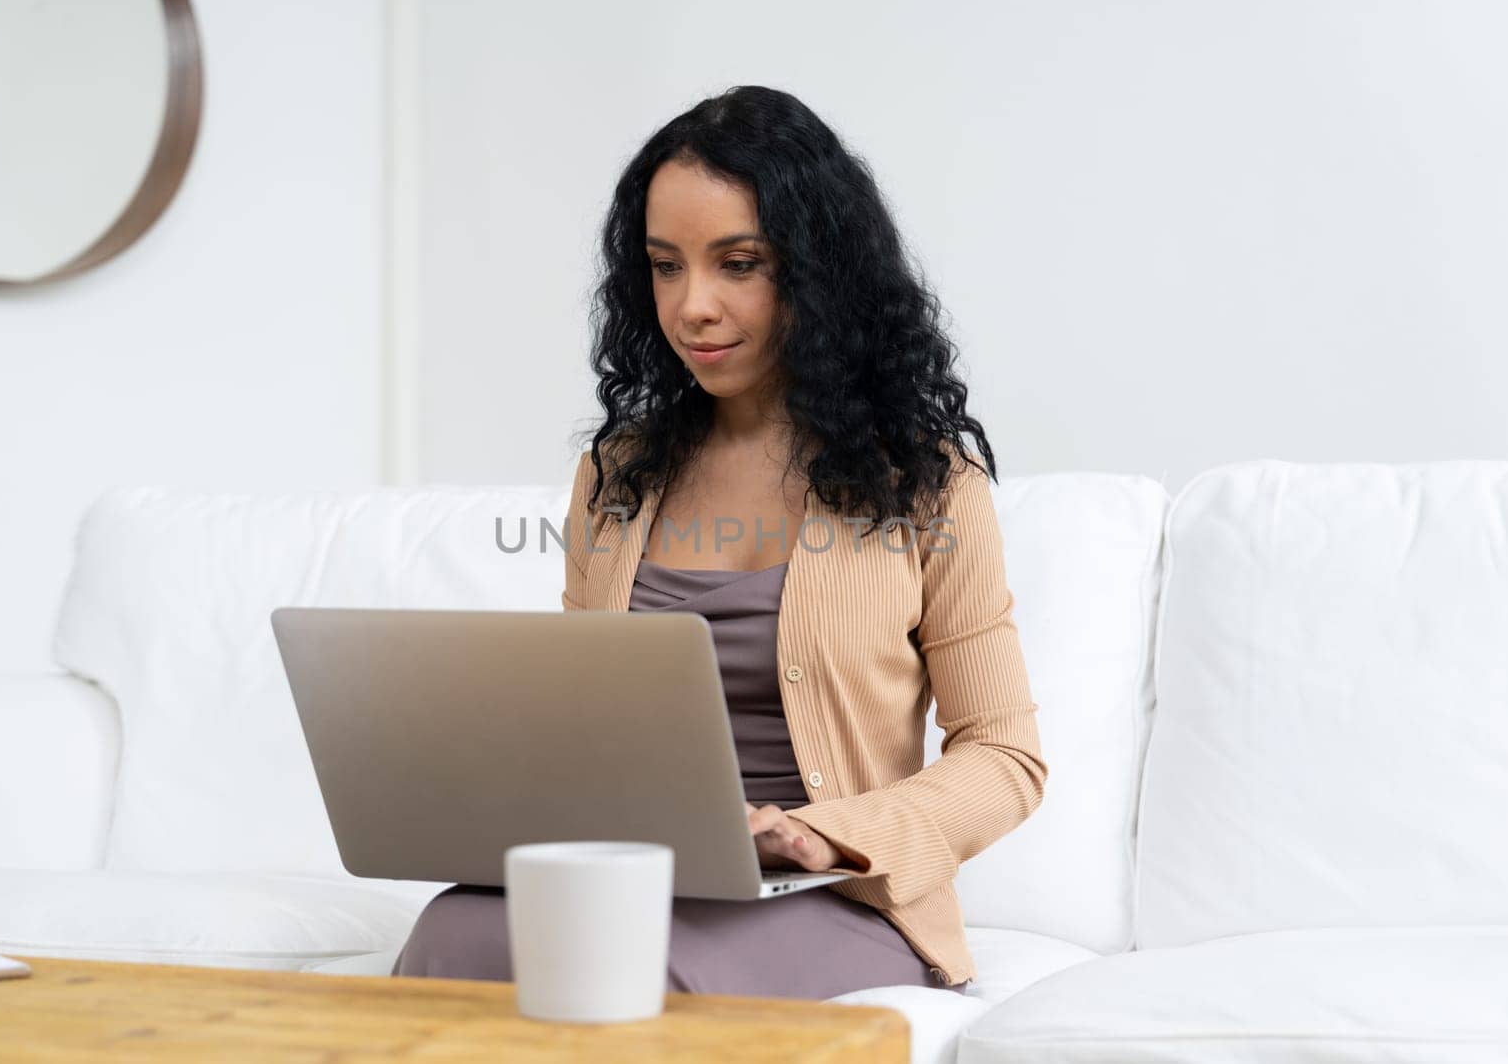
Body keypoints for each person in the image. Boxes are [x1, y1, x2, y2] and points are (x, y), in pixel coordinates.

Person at [392, 84, 1048, 999]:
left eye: (738, 263)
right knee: (454, 928)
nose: (692, 305)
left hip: (836, 893)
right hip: (639, 870)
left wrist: (831, 834)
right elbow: (588, 723)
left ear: (817, 271)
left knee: (649, 971)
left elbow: (1004, 755)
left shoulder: (926, 482)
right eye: (666, 266)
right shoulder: (617, 474)